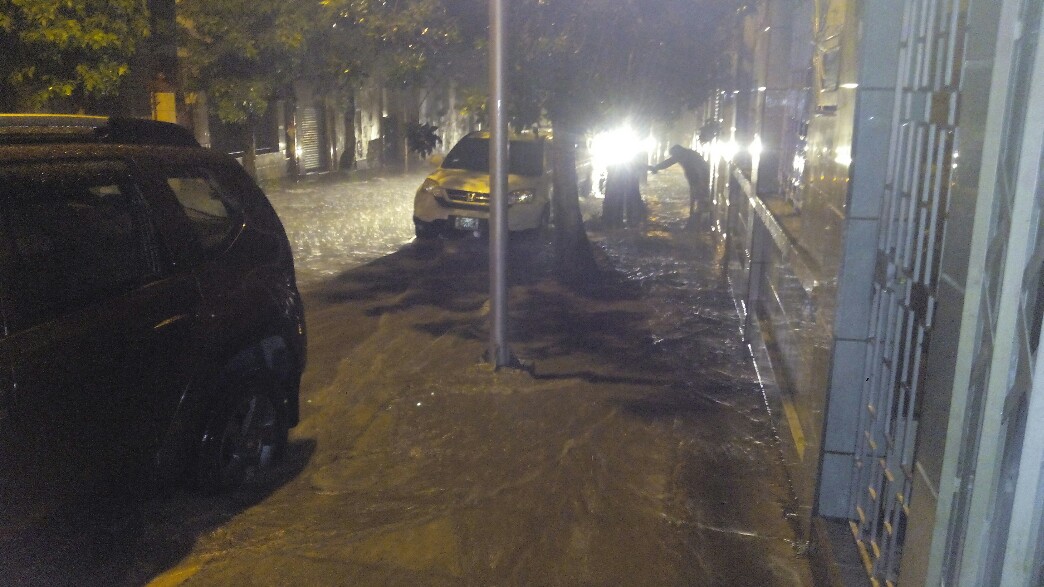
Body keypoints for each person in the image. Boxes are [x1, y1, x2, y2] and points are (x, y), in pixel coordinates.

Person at [649, 144, 710, 227]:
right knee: (694, 196)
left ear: (678, 152)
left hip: (700, 178)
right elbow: (668, 162)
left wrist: (702, 181)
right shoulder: (683, 155)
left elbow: (701, 168)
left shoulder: (691, 156)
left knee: (700, 197)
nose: (674, 157)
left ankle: (700, 220)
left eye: (674, 155)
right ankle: (694, 216)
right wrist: (656, 167)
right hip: (694, 178)